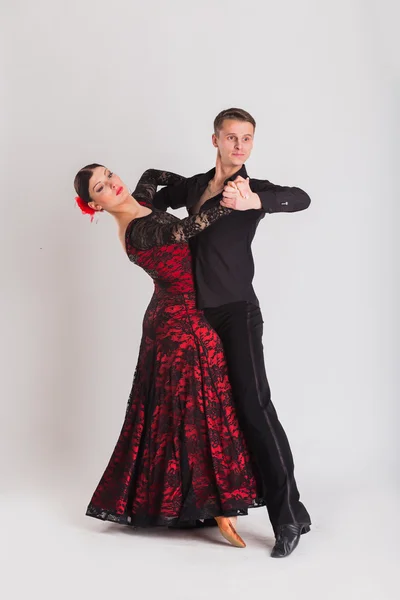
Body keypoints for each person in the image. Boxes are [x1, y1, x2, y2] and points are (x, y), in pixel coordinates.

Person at [74, 164, 265, 548]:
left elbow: (151, 173)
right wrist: (229, 198)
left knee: (188, 410)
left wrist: (195, 187)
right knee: (201, 410)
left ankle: (194, 500)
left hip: (180, 315)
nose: (113, 183)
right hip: (180, 325)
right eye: (102, 187)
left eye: (109, 174)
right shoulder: (138, 229)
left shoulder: (140, 203)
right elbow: (187, 230)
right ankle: (220, 507)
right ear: (95, 205)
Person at [150, 108, 312, 558]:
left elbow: (300, 197)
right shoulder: (196, 186)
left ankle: (288, 517)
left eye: (247, 139)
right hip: (195, 318)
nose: (239, 146)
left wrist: (255, 203)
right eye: (231, 137)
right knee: (208, 414)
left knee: (255, 409)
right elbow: (154, 198)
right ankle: (204, 507)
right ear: (216, 140)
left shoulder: (251, 189)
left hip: (238, 313)